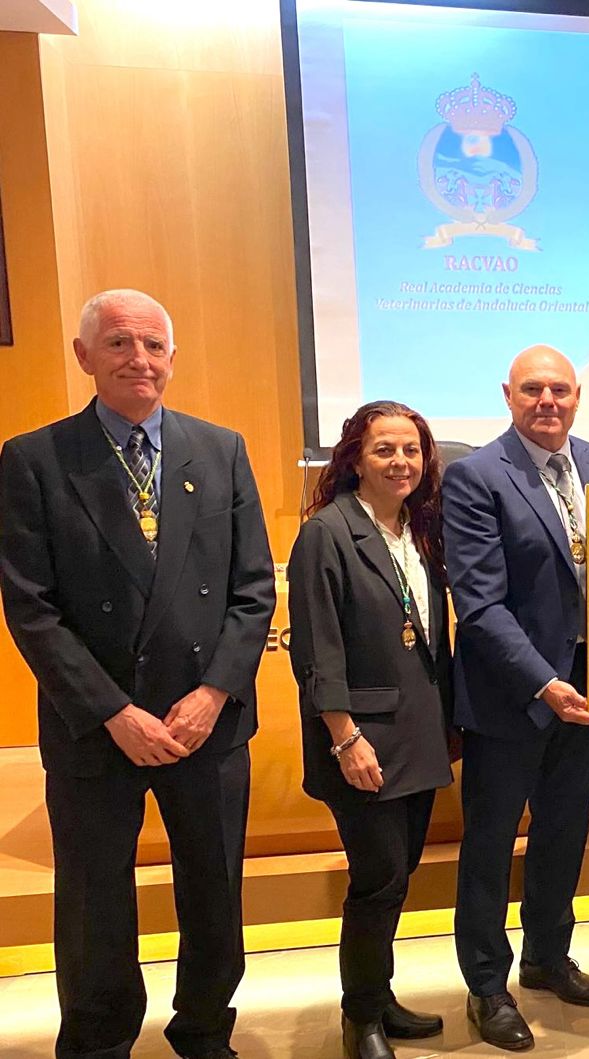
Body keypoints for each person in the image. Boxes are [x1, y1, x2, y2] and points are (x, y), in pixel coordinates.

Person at [0, 289, 275, 1059]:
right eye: (120, 343)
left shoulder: (220, 450)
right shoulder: (36, 458)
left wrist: (213, 694)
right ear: (84, 356)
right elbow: (31, 606)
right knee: (94, 899)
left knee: (214, 887)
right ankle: (97, 1040)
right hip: (97, 726)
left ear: (172, 358)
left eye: (154, 345)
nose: (139, 359)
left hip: (205, 722)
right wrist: (113, 711)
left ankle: (205, 1028)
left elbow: (253, 588)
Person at [443, 346, 589, 1051]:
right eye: (532, 389)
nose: (548, 401)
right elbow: (478, 604)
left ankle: (547, 956)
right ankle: (487, 985)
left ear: (578, 395)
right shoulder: (476, 475)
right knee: (490, 843)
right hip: (511, 694)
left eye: (560, 390)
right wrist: (543, 681)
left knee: (563, 830)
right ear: (508, 395)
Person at [288, 401, 455, 1059]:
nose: (400, 461)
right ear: (355, 457)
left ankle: (379, 998)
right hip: (360, 742)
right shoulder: (327, 533)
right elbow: (317, 651)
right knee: (377, 878)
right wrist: (344, 737)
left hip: (416, 735)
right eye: (384, 449)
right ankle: (359, 1019)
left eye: (411, 449)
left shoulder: (419, 529)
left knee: (398, 875)